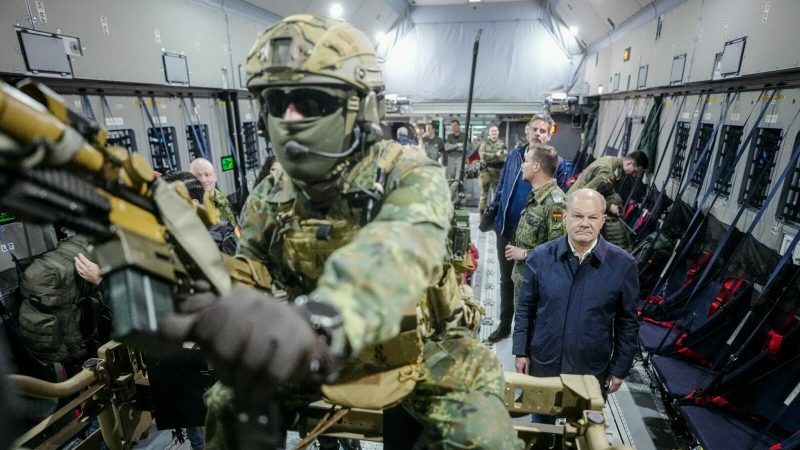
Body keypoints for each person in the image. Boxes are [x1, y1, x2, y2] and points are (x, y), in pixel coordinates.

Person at [161, 14, 522, 450]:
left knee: (486, 438)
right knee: (229, 404)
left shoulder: (408, 174)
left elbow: (398, 251)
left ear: (360, 106)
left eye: (309, 102)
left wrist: (322, 317)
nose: (289, 119)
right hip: (310, 350)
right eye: (275, 103)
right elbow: (247, 270)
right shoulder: (271, 195)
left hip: (425, 347)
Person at [512, 189, 639, 402]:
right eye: (578, 216)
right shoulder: (541, 257)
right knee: (541, 427)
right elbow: (526, 308)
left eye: (592, 217)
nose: (585, 223)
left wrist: (619, 368)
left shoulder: (623, 265)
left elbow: (628, 322)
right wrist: (520, 350)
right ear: (565, 217)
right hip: (544, 363)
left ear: (603, 220)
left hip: (590, 371)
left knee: (581, 432)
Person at [485, 114, 553, 344]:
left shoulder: (555, 163)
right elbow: (503, 187)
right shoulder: (514, 157)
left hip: (534, 238)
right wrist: (495, 219)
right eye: (535, 129)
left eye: (543, 131)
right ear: (527, 131)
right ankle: (505, 325)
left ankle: (526, 334)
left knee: (531, 285)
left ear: (549, 134)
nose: (538, 134)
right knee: (506, 280)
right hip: (506, 231)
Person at [503, 144, 567, 302]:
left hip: (537, 284)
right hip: (525, 278)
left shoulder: (555, 202)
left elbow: (559, 249)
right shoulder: (537, 194)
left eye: (526, 161)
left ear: (537, 167)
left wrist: (524, 254)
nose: (523, 165)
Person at [567, 151, 650, 251]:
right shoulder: (608, 174)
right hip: (571, 208)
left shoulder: (610, 160)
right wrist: (609, 206)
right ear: (629, 163)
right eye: (635, 171)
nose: (633, 175)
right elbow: (585, 197)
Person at [188, 157, 238, 226]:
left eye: (207, 175)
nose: (203, 180)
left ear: (215, 177)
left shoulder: (222, 200)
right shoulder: (189, 207)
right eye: (198, 176)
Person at [477, 125, 507, 213]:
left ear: (498, 132)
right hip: (485, 170)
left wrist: (488, 155)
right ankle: (482, 214)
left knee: (496, 193)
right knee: (484, 193)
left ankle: (493, 213)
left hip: (497, 171)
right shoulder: (484, 143)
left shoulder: (502, 144)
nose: (493, 133)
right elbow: (482, 154)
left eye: (495, 131)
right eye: (492, 131)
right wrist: (495, 155)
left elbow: (502, 156)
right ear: (489, 133)